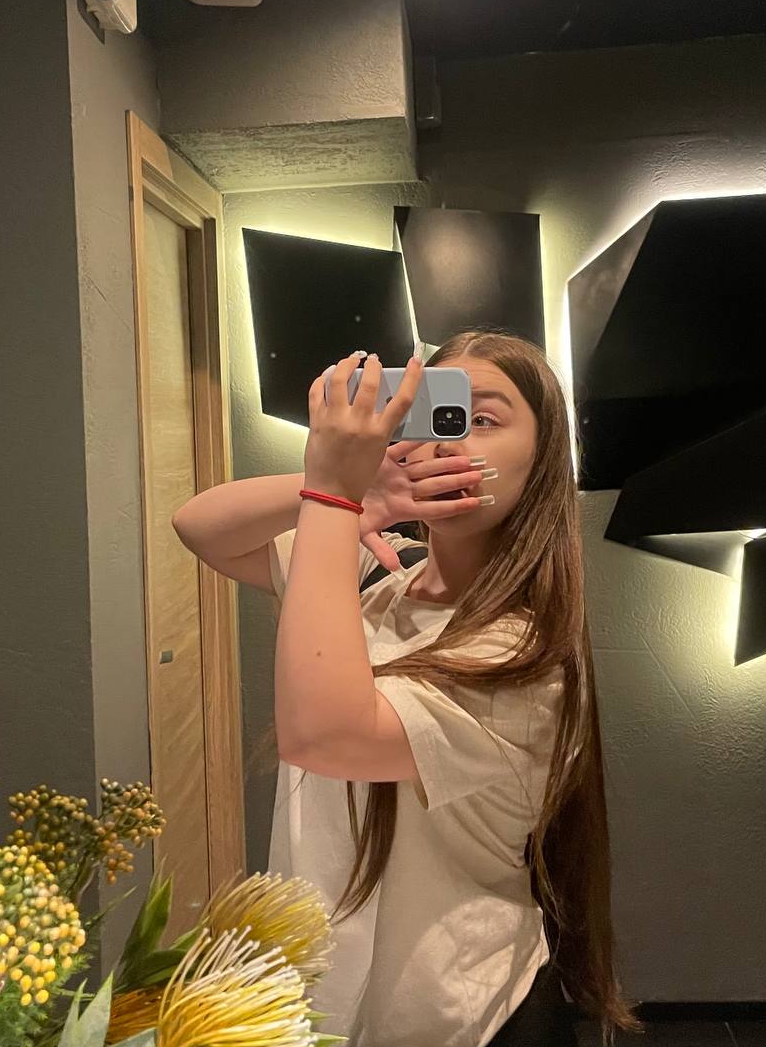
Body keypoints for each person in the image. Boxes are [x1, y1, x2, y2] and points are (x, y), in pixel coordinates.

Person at [173, 330, 639, 1047]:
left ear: (542, 459)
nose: (448, 439)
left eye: (481, 419)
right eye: (431, 414)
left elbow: (326, 735)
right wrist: (354, 496)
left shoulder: (523, 656)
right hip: (327, 1000)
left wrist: (332, 495)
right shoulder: (372, 577)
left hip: (460, 1018)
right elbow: (201, 527)